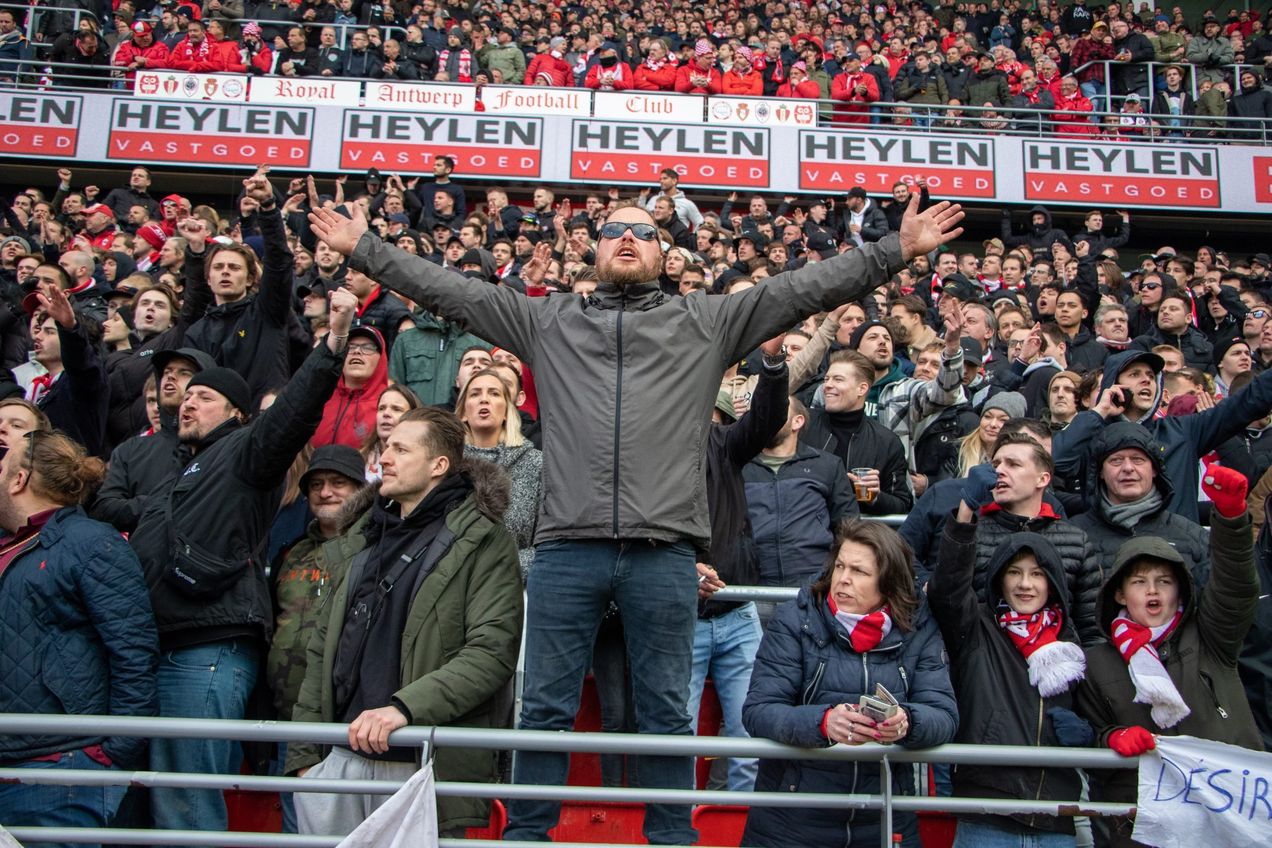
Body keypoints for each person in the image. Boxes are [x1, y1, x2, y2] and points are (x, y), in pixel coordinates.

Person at [308, 186, 963, 843]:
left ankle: (671, 838)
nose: (627, 239)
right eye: (614, 231)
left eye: (643, 232)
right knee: (543, 712)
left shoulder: (706, 320)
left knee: (665, 716)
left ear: (664, 252)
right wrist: (361, 248)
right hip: (566, 549)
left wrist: (893, 250)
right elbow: (451, 291)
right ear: (593, 250)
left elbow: (802, 289)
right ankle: (526, 836)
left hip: (664, 553)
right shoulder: (549, 320)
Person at [126, 282, 355, 837]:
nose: (187, 402)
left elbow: (294, 415)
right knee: (163, 796)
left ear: (235, 412)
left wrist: (331, 348)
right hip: (169, 642)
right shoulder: (184, 470)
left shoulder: (246, 450)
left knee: (186, 799)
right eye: (186, 396)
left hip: (207, 645)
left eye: (204, 397)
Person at [286, 408, 524, 837]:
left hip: (416, 765)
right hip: (336, 762)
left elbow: (491, 653)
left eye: (400, 448)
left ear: (439, 465)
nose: (384, 459)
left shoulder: (485, 541)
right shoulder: (361, 535)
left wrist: (403, 709)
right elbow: (322, 648)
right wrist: (306, 758)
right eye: (385, 447)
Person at [1076, 466, 1262, 848]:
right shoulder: (1097, 662)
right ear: (1119, 594)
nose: (1153, 591)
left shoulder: (1210, 636)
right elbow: (1089, 736)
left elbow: (1235, 587)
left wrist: (1230, 520)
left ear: (1180, 590)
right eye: (1140, 582)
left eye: (1164, 581)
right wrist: (1114, 736)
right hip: (1145, 825)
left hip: (1227, 820)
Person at [742, 520, 958, 847]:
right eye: (840, 566)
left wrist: (906, 723)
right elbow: (759, 711)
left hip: (884, 817)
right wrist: (824, 723)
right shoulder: (795, 619)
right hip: (792, 822)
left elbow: (944, 715)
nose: (843, 579)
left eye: (859, 571)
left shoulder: (919, 627)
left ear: (888, 582)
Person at [0, 432, 159, 836]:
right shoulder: (12, 546)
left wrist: (107, 755)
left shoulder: (91, 542)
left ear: (19, 479)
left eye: (2, 466)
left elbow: (134, 653)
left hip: (60, 767)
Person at [931, 524, 1091, 848]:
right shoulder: (975, 628)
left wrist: (1088, 734)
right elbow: (946, 590)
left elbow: (1099, 712)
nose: (1025, 584)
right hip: (986, 816)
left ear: (1053, 582)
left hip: (1055, 818)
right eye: (1014, 572)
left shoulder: (1069, 643)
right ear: (999, 580)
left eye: (1037, 574)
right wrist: (962, 524)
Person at [266, 444, 369, 833]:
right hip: (286, 714)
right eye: (317, 485)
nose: (325, 492)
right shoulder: (291, 552)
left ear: (361, 489)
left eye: (338, 483)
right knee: (298, 830)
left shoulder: (373, 548)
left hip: (347, 719)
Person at [1073, 422, 1210, 587]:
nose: (1128, 468)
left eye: (1138, 459)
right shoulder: (1073, 536)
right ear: (1100, 472)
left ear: (1154, 470)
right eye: (1116, 460)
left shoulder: (1193, 536)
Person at [801, 351, 912, 517]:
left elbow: (902, 503)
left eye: (838, 379)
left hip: (853, 535)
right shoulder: (802, 423)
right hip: (802, 529)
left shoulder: (886, 442)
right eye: (827, 379)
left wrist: (874, 497)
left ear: (862, 389)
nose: (827, 385)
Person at [456, 368, 542, 581]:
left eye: (494, 394)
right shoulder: (445, 467)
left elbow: (548, 547)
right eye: (475, 394)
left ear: (507, 411)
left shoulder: (536, 464)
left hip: (515, 590)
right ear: (463, 412)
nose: (484, 399)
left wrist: (498, 567)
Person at [310, 326, 389, 449]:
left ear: (381, 358)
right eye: (350, 347)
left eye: (368, 347)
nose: (357, 351)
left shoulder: (389, 406)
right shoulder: (320, 398)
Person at [362, 383, 420, 481]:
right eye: (381, 408)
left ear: (413, 417)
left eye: (396, 409)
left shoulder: (421, 461)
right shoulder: (360, 458)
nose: (386, 413)